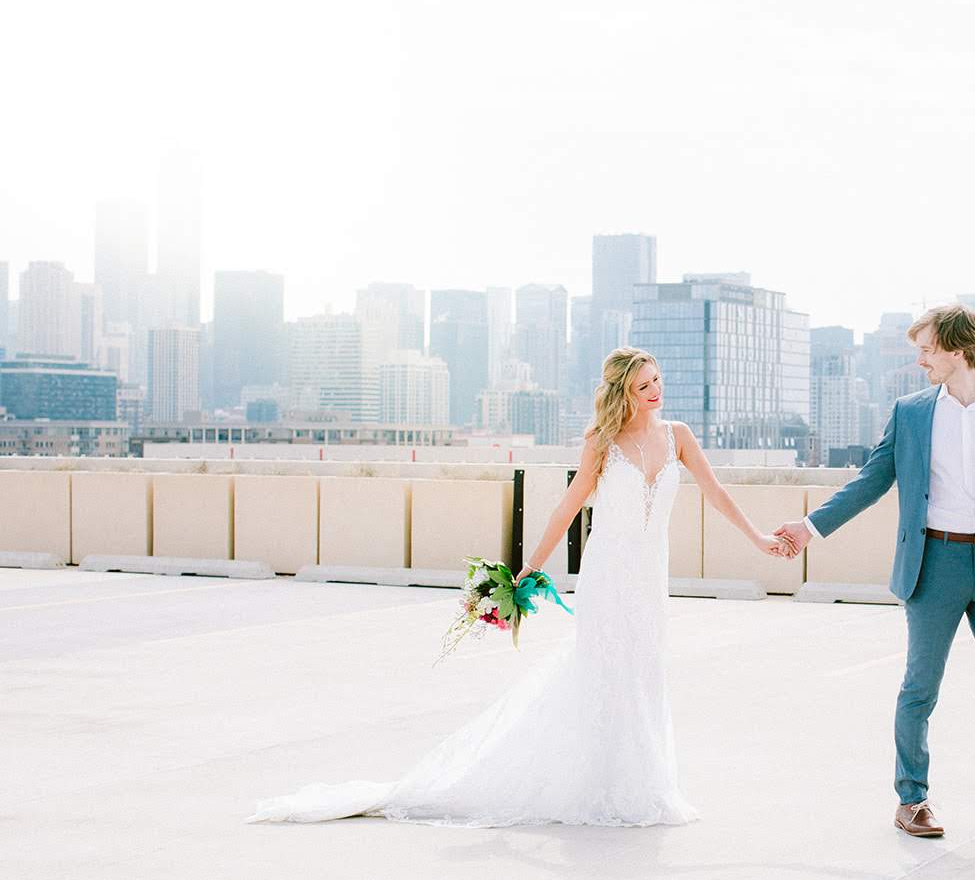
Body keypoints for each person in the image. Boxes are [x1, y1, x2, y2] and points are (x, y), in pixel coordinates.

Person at [248, 347, 792, 827]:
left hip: (651, 576)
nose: (655, 392)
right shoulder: (602, 442)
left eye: (657, 381)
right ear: (622, 392)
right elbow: (570, 504)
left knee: (644, 670)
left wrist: (759, 538)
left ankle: (644, 787)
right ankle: (597, 786)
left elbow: (716, 492)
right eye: (643, 385)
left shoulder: (679, 437)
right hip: (607, 576)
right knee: (604, 669)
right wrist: (531, 566)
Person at [775, 304, 975, 838]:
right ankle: (912, 801)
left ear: (959, 351)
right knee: (921, 687)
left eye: (927, 349)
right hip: (934, 563)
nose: (919, 361)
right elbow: (871, 479)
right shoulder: (911, 412)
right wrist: (810, 526)